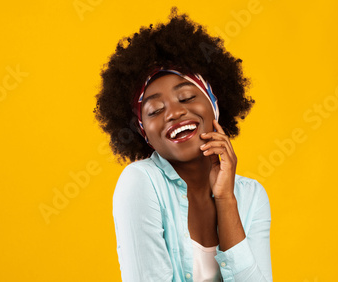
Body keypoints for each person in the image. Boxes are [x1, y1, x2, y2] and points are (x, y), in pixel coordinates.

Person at [94, 7, 272, 282]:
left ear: (214, 105)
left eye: (187, 97)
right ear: (144, 131)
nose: (174, 113)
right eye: (155, 110)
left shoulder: (251, 196)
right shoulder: (140, 182)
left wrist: (226, 200)